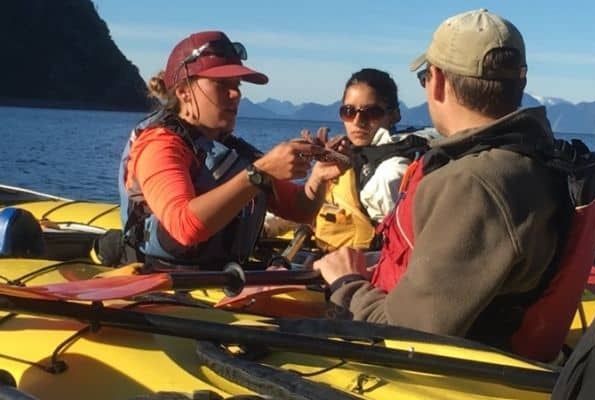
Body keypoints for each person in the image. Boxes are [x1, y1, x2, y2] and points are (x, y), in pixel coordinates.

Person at [314, 9, 572, 352]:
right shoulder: (536, 160)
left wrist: (346, 282)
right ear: (520, 83)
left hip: (455, 374)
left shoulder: (472, 184)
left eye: (424, 77)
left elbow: (405, 334)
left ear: (436, 82)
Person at [118, 30, 347, 268]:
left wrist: (319, 176)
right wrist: (260, 173)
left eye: (237, 85)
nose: (236, 94)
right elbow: (183, 227)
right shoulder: (159, 145)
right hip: (160, 282)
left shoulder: (230, 151)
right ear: (184, 92)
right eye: (221, 84)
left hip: (219, 280)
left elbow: (301, 209)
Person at [263, 69, 436, 251]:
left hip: (362, 270)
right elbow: (315, 209)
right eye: (349, 111)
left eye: (372, 112)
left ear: (394, 115)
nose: (358, 121)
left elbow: (401, 247)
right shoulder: (340, 156)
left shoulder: (391, 172)